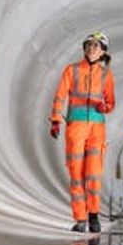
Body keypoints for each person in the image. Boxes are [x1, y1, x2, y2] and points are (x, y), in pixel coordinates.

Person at [50, 32, 115, 233]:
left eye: (97, 46)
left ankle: (94, 215)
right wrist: (55, 120)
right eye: (89, 45)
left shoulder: (106, 75)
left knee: (93, 174)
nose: (92, 49)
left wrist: (104, 107)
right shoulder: (72, 71)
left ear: (103, 51)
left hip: (97, 129)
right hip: (76, 128)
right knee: (76, 174)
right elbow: (60, 96)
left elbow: (111, 102)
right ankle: (80, 218)